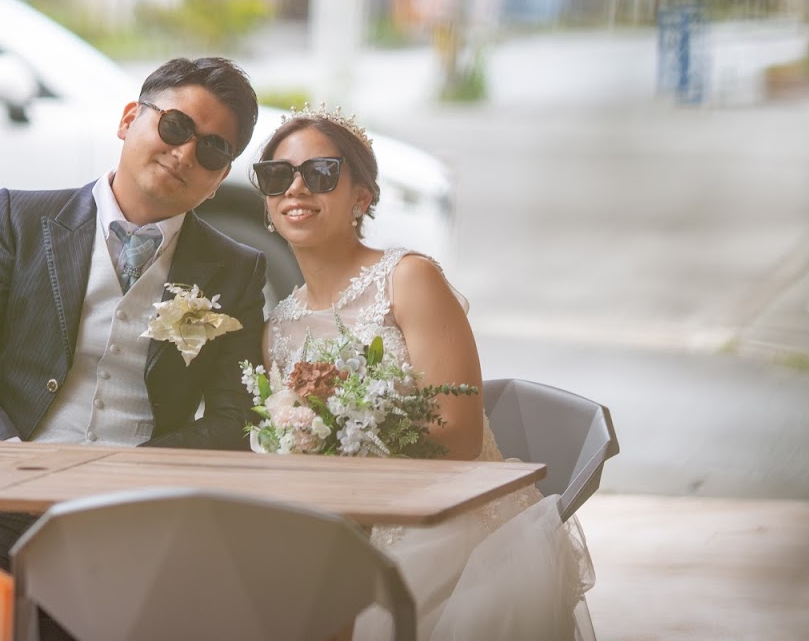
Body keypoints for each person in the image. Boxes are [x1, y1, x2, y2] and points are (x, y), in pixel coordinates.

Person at [0, 56, 267, 639]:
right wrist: (5, 448)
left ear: (222, 176)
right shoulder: (23, 217)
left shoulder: (237, 269)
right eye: (175, 127)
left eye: (214, 150)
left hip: (136, 507)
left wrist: (142, 468)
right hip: (4, 492)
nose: (186, 154)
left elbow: (233, 414)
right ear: (129, 120)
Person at [255, 104, 595, 640]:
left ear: (361, 197)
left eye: (320, 174)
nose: (296, 189)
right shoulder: (278, 327)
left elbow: (458, 437)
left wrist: (345, 446)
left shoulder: (409, 279)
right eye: (277, 176)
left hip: (443, 519)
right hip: (334, 524)